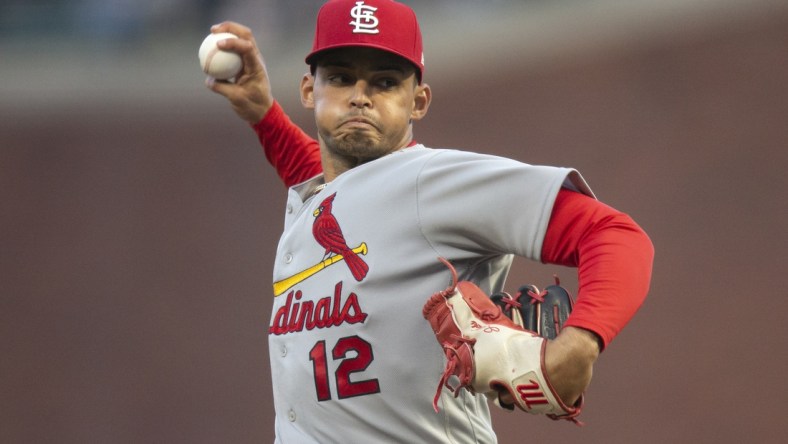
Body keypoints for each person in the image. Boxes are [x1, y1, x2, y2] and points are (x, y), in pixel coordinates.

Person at [205, 0, 654, 442]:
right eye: (341, 78)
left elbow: (615, 236)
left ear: (418, 102)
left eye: (384, 83)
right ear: (309, 90)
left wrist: (581, 340)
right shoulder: (325, 196)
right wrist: (263, 114)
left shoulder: (432, 180)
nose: (360, 96)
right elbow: (338, 184)